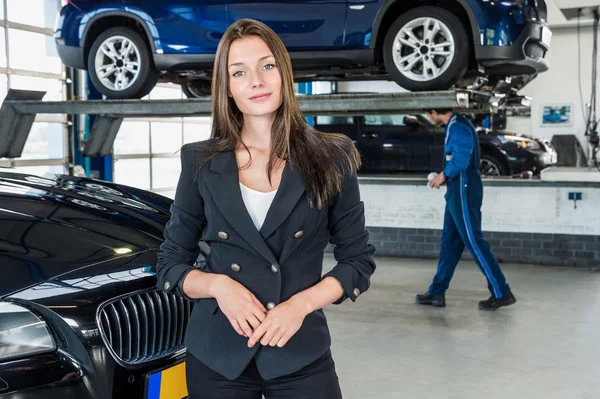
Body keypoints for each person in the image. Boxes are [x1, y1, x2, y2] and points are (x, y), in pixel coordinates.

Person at [156, 18, 376, 399]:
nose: (256, 80)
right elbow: (170, 263)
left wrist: (300, 305)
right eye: (239, 72)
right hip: (218, 355)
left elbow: (358, 260)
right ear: (227, 89)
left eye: (266, 65)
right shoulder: (200, 162)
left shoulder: (332, 156)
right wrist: (218, 286)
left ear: (284, 73)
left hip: (299, 351)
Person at [416, 108, 516, 311]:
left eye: (427, 113)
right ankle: (437, 291)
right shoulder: (455, 124)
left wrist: (442, 176)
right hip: (457, 190)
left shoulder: (459, 127)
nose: (427, 118)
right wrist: (445, 174)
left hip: (464, 190)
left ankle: (502, 292)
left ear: (434, 111)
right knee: (449, 243)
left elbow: (461, 160)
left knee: (474, 241)